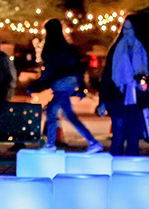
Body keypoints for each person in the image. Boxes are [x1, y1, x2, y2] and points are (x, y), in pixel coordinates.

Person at [28, 19, 102, 152]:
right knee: (61, 113)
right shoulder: (69, 48)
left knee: (57, 112)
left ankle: (52, 144)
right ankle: (91, 142)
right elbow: (78, 68)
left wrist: (36, 85)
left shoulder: (52, 48)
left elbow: (50, 70)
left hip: (60, 83)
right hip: (70, 82)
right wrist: (81, 86)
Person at [98, 18, 149, 156]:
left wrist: (145, 83)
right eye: (125, 29)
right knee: (118, 138)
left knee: (133, 139)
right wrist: (102, 101)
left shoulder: (144, 49)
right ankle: (115, 170)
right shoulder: (116, 49)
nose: (127, 32)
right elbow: (107, 76)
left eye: (130, 29)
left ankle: (130, 170)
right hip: (118, 98)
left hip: (137, 99)